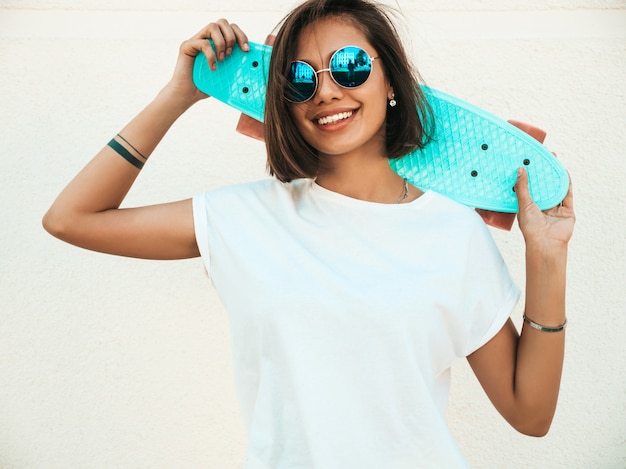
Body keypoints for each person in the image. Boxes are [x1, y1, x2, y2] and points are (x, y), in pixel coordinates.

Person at [42, 0, 575, 467]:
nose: (326, 91)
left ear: (391, 79)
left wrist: (547, 256)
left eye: (349, 66)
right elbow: (72, 219)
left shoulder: (453, 230)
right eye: (300, 78)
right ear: (285, 102)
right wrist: (179, 94)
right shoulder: (246, 217)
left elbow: (530, 413)